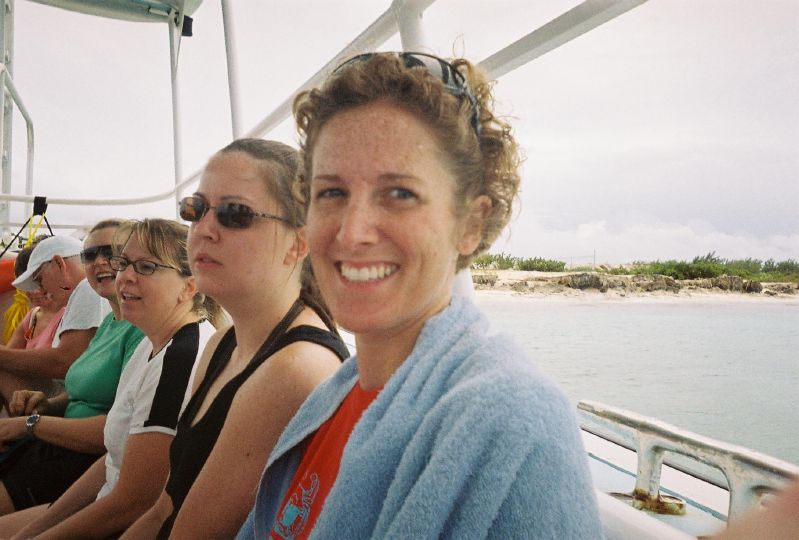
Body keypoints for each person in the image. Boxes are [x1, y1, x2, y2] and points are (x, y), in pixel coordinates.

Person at [236, 52, 603, 539]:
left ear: (470, 224)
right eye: (332, 193)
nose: (352, 232)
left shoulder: (512, 423)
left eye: (399, 193)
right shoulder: (335, 395)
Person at [123, 139, 349, 539]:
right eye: (195, 210)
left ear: (298, 244)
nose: (204, 230)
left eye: (235, 214)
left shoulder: (294, 370)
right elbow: (165, 507)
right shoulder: (222, 344)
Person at [0, 218, 220, 539]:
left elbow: (134, 504)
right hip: (103, 498)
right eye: (124, 263)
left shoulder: (181, 360)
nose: (125, 276)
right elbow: (112, 459)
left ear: (189, 286)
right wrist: (34, 530)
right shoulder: (150, 343)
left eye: (145, 266)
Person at [0, 220, 145, 515]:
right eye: (89, 255)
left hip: (81, 458)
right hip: (56, 439)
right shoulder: (110, 322)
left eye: (111, 252)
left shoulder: (144, 330)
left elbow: (118, 428)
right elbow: (84, 386)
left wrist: (29, 425)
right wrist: (48, 404)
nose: (99, 262)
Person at [0, 234, 110, 405]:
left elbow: (65, 362)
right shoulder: (84, 292)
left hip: (72, 401)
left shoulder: (87, 288)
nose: (40, 288)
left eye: (38, 279)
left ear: (60, 264)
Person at [6, 239, 65, 357]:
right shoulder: (32, 317)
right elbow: (8, 356)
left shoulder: (68, 316)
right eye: (26, 285)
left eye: (38, 282)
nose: (33, 291)